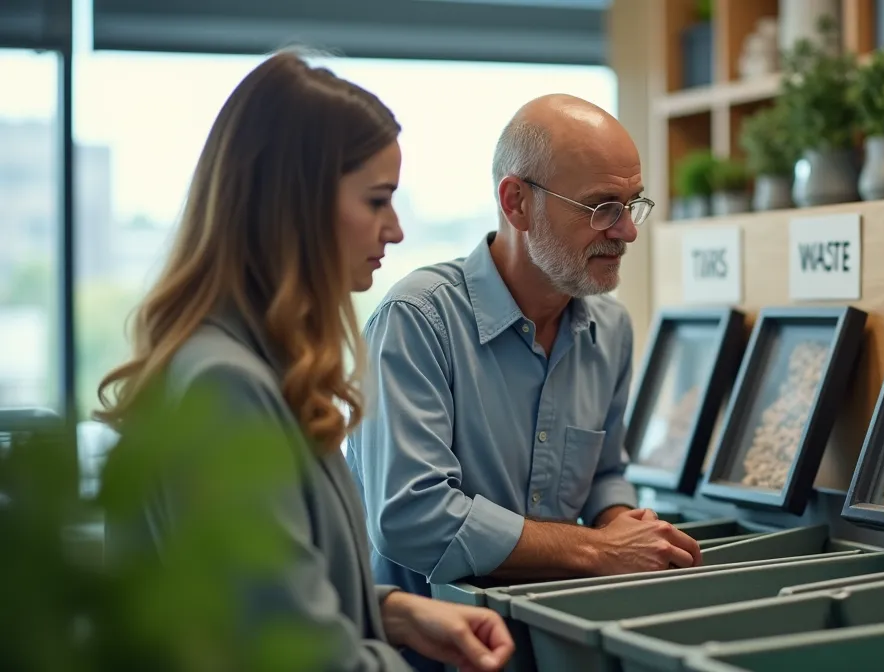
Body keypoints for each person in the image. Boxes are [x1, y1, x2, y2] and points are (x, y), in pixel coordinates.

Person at [94, 51, 513, 672]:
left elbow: (256, 598)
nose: (395, 230)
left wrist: (394, 611)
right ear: (295, 206)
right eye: (377, 201)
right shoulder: (226, 388)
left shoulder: (241, 366)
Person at [346, 95, 702, 605]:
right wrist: (599, 549)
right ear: (516, 203)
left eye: (633, 205)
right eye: (603, 207)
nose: (627, 231)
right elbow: (412, 518)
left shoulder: (611, 328)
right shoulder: (417, 320)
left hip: (556, 641)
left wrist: (622, 521)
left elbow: (604, 474)